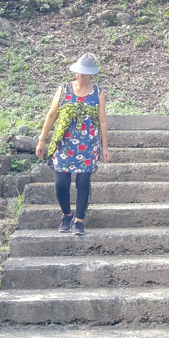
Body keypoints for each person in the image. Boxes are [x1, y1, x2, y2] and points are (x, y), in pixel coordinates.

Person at [36, 53, 110, 236]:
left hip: (88, 144)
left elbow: (102, 121)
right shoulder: (64, 89)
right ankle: (67, 214)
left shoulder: (98, 92)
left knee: (83, 182)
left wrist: (105, 147)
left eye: (85, 73)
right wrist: (42, 140)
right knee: (61, 182)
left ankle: (79, 220)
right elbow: (51, 115)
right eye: (79, 72)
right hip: (64, 143)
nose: (81, 76)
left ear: (92, 74)